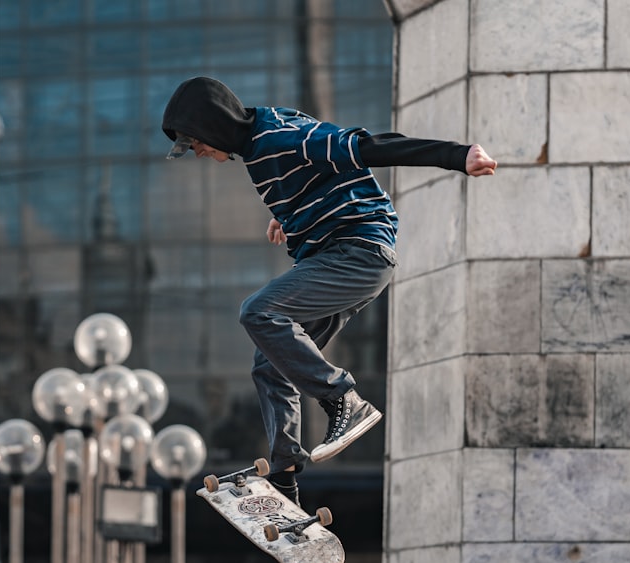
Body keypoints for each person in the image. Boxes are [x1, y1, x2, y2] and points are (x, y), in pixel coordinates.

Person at [162, 76, 496, 501]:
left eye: (198, 145)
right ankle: (285, 475)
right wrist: (292, 215)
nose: (201, 154)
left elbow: (366, 147)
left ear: (213, 128)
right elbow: (315, 183)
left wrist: (457, 155)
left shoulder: (284, 137)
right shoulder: (257, 150)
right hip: (336, 258)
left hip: (358, 253)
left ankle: (343, 400)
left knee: (259, 311)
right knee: (270, 362)